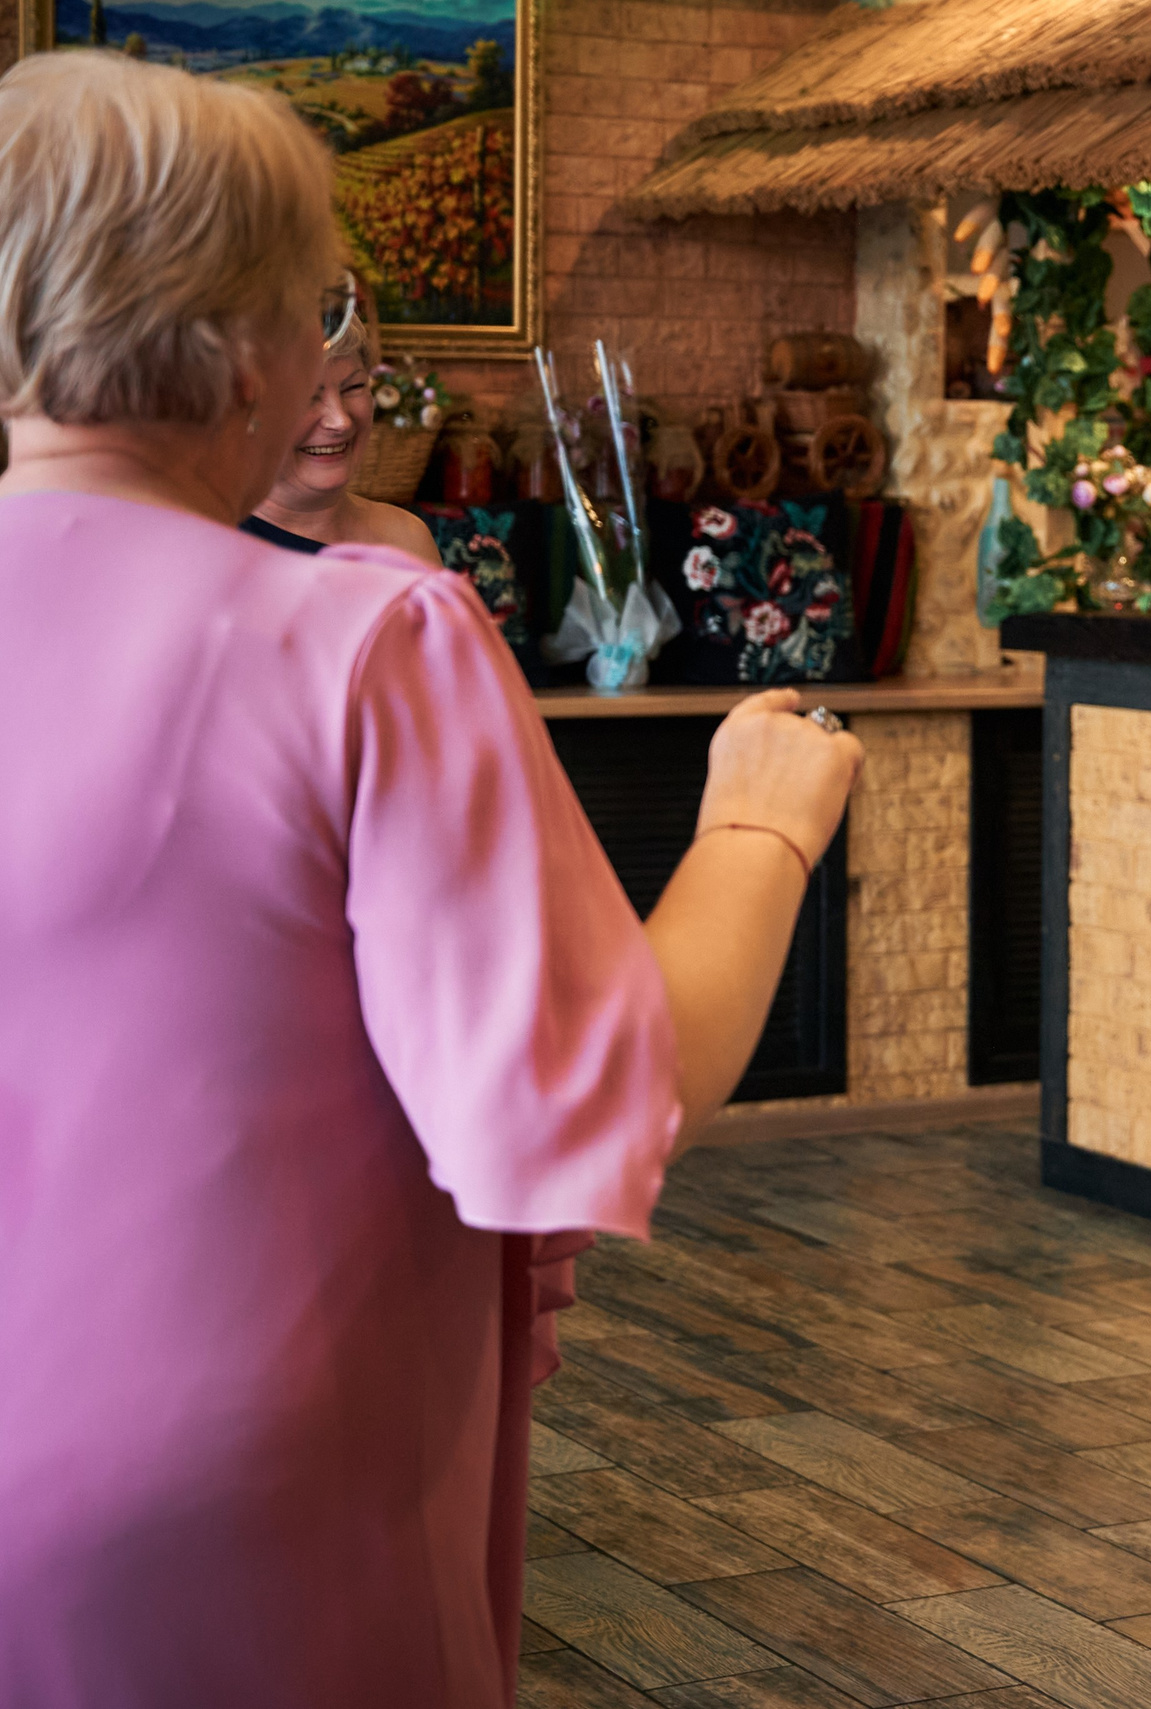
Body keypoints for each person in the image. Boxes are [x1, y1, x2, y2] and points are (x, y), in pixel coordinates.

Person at [0, 52, 859, 1709]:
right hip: (229, 1493)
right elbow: (591, 1082)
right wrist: (761, 820)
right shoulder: (362, 634)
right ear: (247, 336)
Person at [243, 290, 441, 563]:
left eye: (354, 387)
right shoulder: (211, 550)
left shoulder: (409, 538)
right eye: (308, 396)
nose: (341, 421)